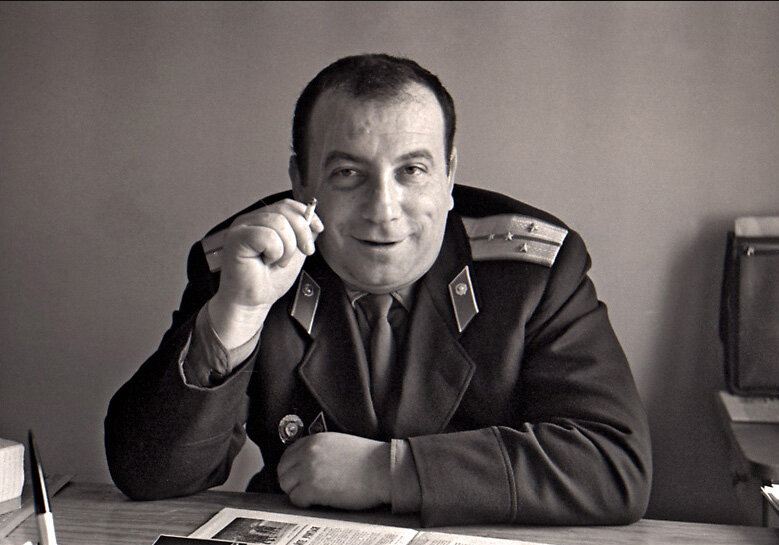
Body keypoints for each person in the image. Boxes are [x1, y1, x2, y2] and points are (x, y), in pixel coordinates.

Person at [105, 53, 651, 527]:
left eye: (412, 170)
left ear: (449, 175)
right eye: (348, 173)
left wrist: (388, 471)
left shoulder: (532, 271)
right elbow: (150, 476)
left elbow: (613, 465)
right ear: (301, 181)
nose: (383, 210)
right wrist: (239, 311)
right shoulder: (250, 258)